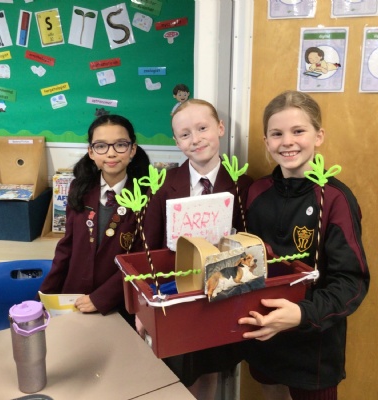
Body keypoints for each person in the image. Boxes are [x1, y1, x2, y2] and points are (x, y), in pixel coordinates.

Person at [237, 90, 369, 400]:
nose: (287, 142)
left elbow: (351, 281)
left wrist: (301, 314)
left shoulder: (335, 198)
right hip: (264, 337)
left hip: (314, 349)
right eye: (277, 134)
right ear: (266, 141)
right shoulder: (256, 191)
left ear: (318, 136)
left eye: (298, 131)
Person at [142, 99, 253, 399]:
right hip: (176, 295)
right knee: (176, 371)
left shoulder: (242, 184)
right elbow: (149, 247)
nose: (196, 139)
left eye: (203, 128)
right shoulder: (163, 185)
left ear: (220, 128)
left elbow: (249, 244)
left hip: (222, 296)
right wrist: (145, 307)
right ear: (176, 141)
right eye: (185, 134)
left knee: (211, 369)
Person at [40, 114, 150, 324]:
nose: (111, 153)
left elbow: (142, 259)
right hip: (74, 298)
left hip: (119, 304)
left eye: (120, 145)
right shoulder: (80, 189)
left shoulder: (146, 195)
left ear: (132, 149)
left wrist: (101, 298)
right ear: (91, 152)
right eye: (101, 146)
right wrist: (45, 295)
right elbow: (67, 247)